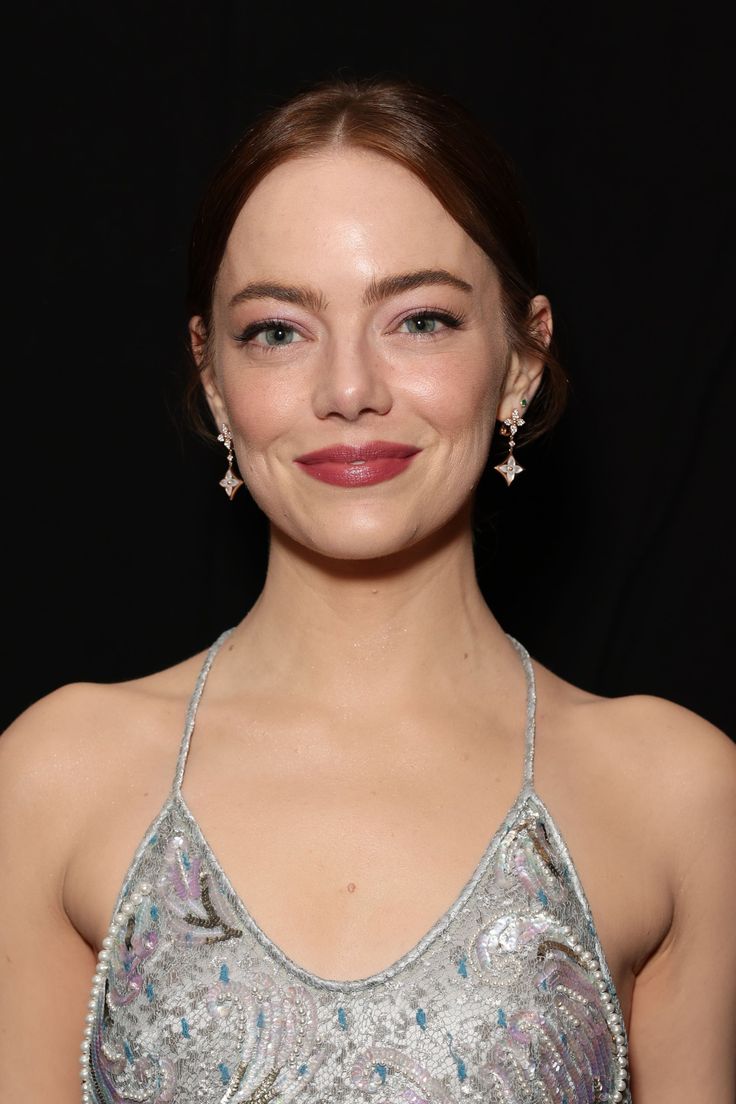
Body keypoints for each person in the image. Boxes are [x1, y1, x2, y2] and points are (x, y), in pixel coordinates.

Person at [1, 77, 734, 1104]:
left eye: (420, 320)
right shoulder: (53, 777)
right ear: (212, 377)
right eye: (278, 331)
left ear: (522, 357)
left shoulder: (678, 792)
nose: (350, 389)